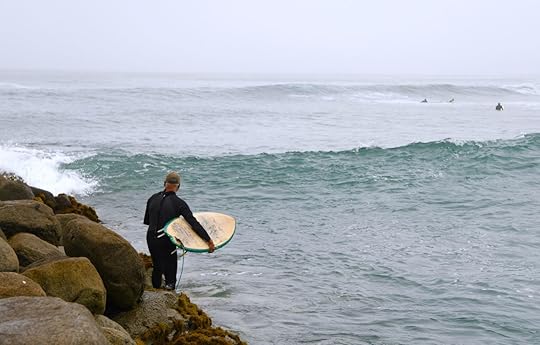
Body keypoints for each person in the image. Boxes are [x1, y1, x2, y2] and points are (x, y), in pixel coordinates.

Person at [144, 171, 215, 290]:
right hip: (166, 238)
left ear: (164, 183)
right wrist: (208, 240)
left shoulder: (152, 198)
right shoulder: (179, 203)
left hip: (151, 237)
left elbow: (147, 221)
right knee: (171, 263)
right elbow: (193, 223)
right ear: (178, 187)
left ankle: (156, 289)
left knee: (157, 265)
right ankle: (169, 289)